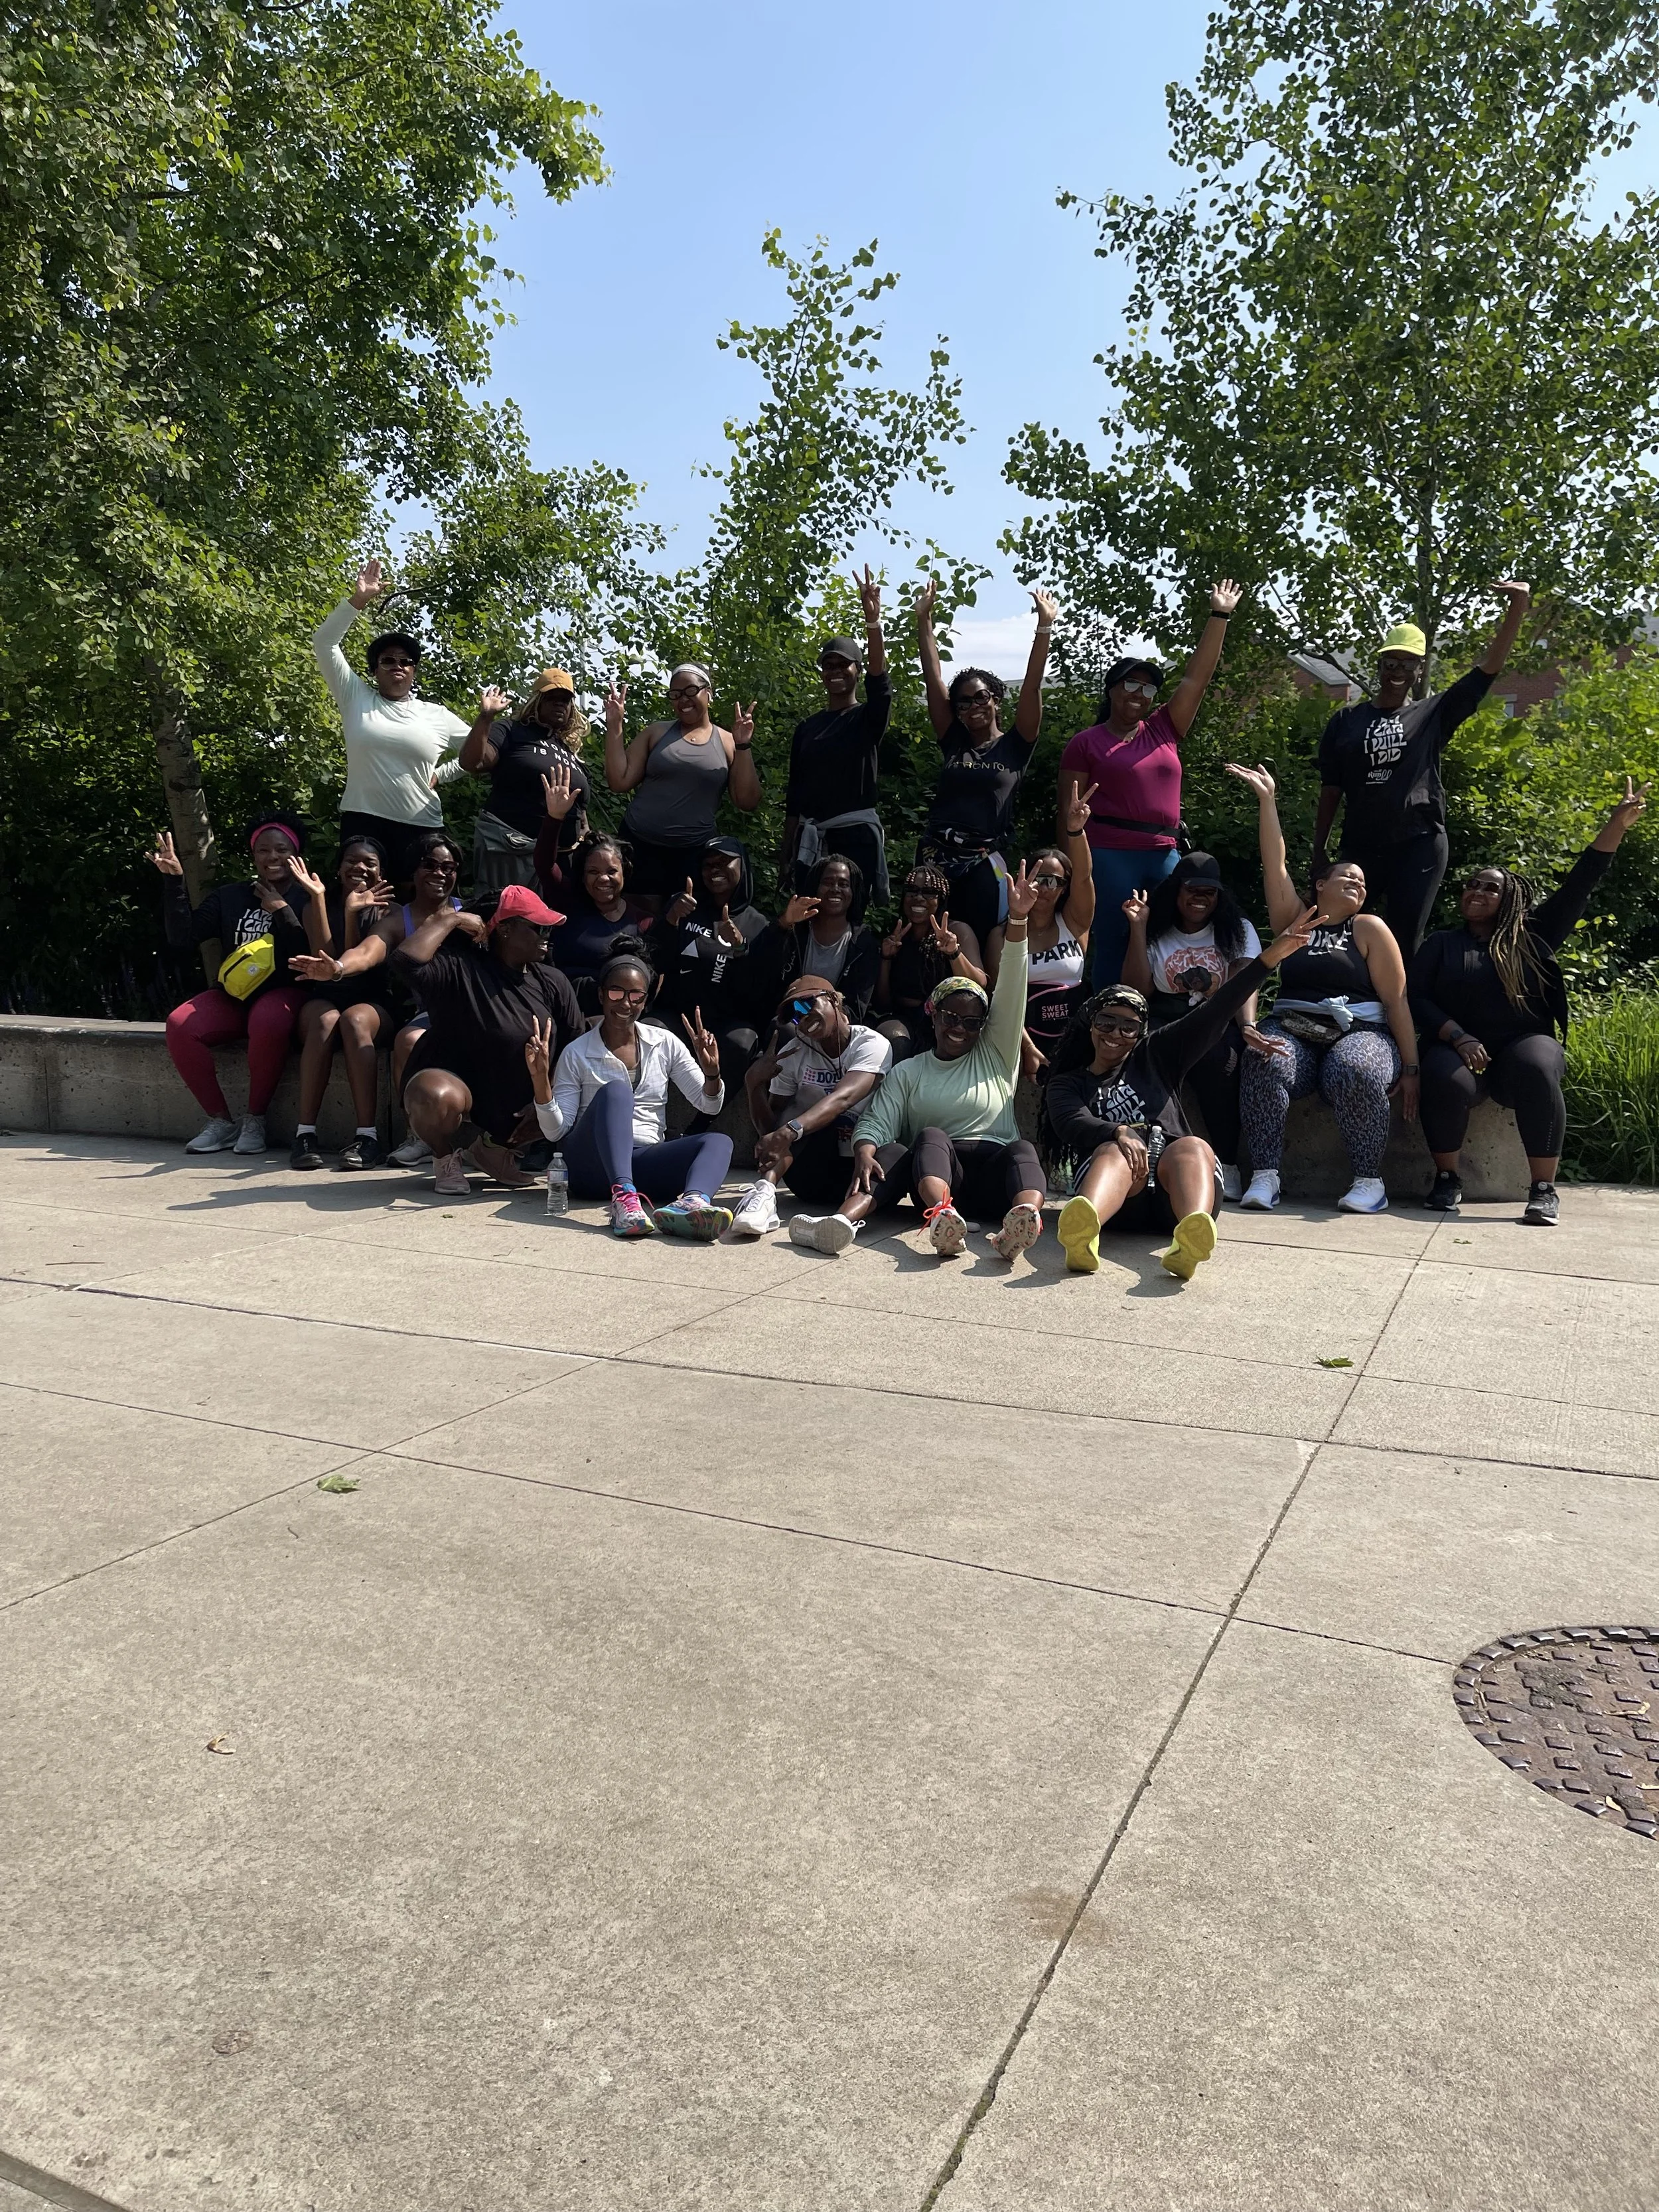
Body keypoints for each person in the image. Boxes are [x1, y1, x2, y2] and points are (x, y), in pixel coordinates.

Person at [1411, 777, 1649, 1224]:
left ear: (1510, 898)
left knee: (1539, 1063)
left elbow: (1584, 879)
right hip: (1458, 1049)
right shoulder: (1442, 944)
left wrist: (1616, 825)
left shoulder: (1534, 934)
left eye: (1489, 888)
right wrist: (1457, 1036)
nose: (1476, 892)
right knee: (1444, 1075)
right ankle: (1447, 1178)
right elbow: (1416, 999)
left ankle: (1543, 1189)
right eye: (1471, 885)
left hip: (1521, 1046)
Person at [1044, 908, 1315, 1280]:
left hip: (1178, 1192)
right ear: (1090, 1025)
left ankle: (1192, 1237)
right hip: (1121, 1200)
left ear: (1140, 1033)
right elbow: (1070, 1122)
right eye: (1106, 1021)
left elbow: (1217, 1009)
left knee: (1194, 1146)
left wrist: (1270, 957)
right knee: (1114, 1148)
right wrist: (1118, 1132)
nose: (1116, 1033)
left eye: (1128, 1027)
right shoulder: (1068, 1082)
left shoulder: (1157, 1054)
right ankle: (1083, 1232)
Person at [814, 865, 1045, 1262]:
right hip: (941, 1179)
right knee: (930, 1136)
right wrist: (865, 1149)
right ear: (933, 1015)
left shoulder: (996, 1054)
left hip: (996, 1182)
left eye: (973, 1021)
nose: (961, 1027)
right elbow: (876, 1122)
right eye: (951, 1017)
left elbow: (1012, 986)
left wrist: (1019, 919)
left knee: (1022, 1147)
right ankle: (940, 1220)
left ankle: (1023, 1221)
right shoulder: (909, 1071)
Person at [1224, 763, 1419, 1213]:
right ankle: (1266, 1176)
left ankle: (1369, 1182)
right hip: (1295, 1029)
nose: (1356, 882)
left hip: (1360, 1034)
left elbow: (1397, 1000)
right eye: (1346, 876)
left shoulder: (1368, 928)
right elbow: (1274, 864)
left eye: (1362, 881)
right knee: (1263, 1057)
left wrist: (1411, 1068)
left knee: (1355, 1067)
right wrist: (1267, 801)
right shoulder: (1296, 920)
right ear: (1320, 885)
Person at [1313, 581, 1532, 954]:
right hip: (1362, 843)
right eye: (1391, 662)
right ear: (1379, 665)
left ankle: (1400, 1012)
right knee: (1336, 926)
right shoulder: (1346, 721)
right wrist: (1319, 853)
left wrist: (1518, 607)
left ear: (1420, 669)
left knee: (1402, 937)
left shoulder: (1432, 713)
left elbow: (1488, 669)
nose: (1398, 670)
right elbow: (1331, 790)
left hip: (1419, 841)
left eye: (1408, 663)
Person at [1058, 579, 1244, 987]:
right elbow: (1067, 815)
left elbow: (1197, 680)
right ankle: (1105, 1016)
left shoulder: (1164, 728)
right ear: (1112, 690)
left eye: (1148, 687)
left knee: (1175, 932)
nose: (1140, 693)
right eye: (1131, 683)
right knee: (1114, 936)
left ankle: (1166, 1009)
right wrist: (1075, 867)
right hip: (1108, 854)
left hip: (1164, 853)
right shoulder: (1085, 744)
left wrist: (1219, 616)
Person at [525, 948, 734, 1238]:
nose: (626, 1003)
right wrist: (540, 1081)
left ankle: (692, 1205)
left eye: (636, 996)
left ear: (645, 1001)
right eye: (616, 993)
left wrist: (712, 1072)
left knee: (719, 1142)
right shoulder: (577, 1053)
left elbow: (709, 1105)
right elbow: (556, 1131)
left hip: (643, 1160)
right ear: (601, 995)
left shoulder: (664, 1043)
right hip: (592, 1168)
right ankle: (624, 1199)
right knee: (617, 1092)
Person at [394, 883, 584, 1197]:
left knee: (561, 1106)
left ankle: (492, 1150)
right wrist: (451, 920)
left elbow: (575, 1048)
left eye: (548, 927)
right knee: (435, 1097)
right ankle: (444, 1158)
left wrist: (546, 1094)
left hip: (512, 1101)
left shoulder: (553, 981)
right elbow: (405, 962)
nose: (546, 935)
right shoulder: (459, 968)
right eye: (537, 927)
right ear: (506, 930)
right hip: (456, 1082)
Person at [151, 817, 313, 1155]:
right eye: (263, 850)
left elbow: (307, 953)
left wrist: (282, 911)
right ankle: (221, 1122)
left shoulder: (311, 897)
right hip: (234, 997)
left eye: (282, 850)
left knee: (268, 1018)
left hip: (286, 994)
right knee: (180, 1024)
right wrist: (173, 883)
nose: (272, 857)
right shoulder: (230, 896)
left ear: (297, 854)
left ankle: (255, 1120)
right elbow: (183, 939)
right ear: (253, 855)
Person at [914, 581, 1058, 947]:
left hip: (982, 863)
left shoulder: (1016, 745)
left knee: (977, 938)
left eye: (980, 697)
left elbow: (1032, 687)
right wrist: (924, 619)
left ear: (995, 699)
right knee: (929, 939)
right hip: (933, 859)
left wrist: (1044, 627)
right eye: (963, 702)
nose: (972, 707)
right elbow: (934, 681)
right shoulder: (953, 742)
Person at [1119, 851, 1265, 1202]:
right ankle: (1141, 1162)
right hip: (1165, 1018)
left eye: (1210, 892)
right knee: (1144, 1062)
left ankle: (1227, 1165)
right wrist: (1138, 929)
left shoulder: (1237, 929)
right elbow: (1137, 990)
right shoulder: (1157, 928)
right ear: (1177, 891)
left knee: (1224, 1063)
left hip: (1216, 1018)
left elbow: (1245, 982)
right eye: (1193, 890)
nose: (1201, 898)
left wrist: (1247, 1025)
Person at [311, 559, 474, 859]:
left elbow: (480, 753)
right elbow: (324, 643)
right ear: (375, 670)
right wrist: (358, 600)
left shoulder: (437, 715)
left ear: (414, 671)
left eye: (405, 662)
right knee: (362, 902)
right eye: (387, 660)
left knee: (421, 904)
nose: (397, 666)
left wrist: (443, 773)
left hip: (422, 826)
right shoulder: (355, 697)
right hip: (363, 823)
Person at [733, 976, 894, 1243]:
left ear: (833, 999)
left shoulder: (871, 1043)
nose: (803, 1018)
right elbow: (771, 1135)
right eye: (795, 1016)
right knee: (807, 1097)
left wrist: (792, 1130)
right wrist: (754, 1085)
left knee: (895, 1150)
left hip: (860, 1169)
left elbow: (845, 1097)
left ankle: (839, 1223)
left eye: (807, 1006)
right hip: (812, 1175)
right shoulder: (795, 1051)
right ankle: (764, 1194)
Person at [283, 836, 399, 1170]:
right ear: (338, 867)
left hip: (372, 1002)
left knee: (354, 1020)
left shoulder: (389, 911)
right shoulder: (314, 905)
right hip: (326, 997)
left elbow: (356, 974)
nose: (360, 867)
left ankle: (368, 1138)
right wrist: (318, 899)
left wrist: (353, 915)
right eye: (351, 860)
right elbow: (326, 966)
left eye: (370, 863)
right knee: (325, 1020)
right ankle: (305, 1135)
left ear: (382, 873)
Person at [605, 666, 760, 905]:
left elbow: (747, 802)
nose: (683, 700)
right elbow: (619, 781)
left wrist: (743, 745)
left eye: (690, 691)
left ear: (708, 693)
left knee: (684, 920)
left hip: (694, 853)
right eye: (676, 695)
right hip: (639, 844)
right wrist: (615, 725)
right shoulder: (656, 732)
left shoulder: (729, 741)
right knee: (638, 921)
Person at [782, 568, 892, 896]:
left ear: (857, 670)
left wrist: (872, 621)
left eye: (843, 664)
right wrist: (786, 858)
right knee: (805, 919)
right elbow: (794, 799)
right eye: (828, 666)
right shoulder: (807, 728)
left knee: (852, 917)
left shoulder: (867, 718)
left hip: (855, 839)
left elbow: (880, 681)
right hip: (810, 842)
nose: (835, 672)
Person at [984, 782, 1098, 1080]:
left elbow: (1085, 878)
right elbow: (999, 998)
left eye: (1056, 881)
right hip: (1020, 1037)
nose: (1046, 889)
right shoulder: (1002, 935)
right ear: (1025, 879)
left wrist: (1076, 832)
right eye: (1040, 878)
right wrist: (1028, 1047)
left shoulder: (1074, 925)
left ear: (1065, 888)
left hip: (1076, 1033)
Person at [646, 837, 769, 1090]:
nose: (715, 869)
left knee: (743, 1042)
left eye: (724, 862)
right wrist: (669, 920)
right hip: (677, 1016)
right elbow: (653, 960)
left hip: (727, 1023)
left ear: (742, 865)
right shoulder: (683, 906)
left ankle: (705, 1119)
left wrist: (739, 948)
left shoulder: (758, 925)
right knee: (649, 1030)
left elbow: (757, 992)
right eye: (708, 864)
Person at [457, 668, 591, 894]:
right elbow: (474, 763)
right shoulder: (511, 730)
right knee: (509, 922)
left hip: (562, 859)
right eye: (552, 698)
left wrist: (587, 840)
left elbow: (580, 809)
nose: (560, 704)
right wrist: (486, 717)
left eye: (566, 700)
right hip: (514, 849)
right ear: (537, 701)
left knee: (552, 926)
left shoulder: (569, 750)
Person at [873, 865, 987, 1063]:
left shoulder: (958, 931)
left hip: (945, 1019)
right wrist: (886, 958)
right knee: (894, 1040)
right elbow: (883, 1002)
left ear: (940, 900)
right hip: (903, 1018)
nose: (919, 898)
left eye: (928, 892)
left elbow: (979, 984)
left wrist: (953, 952)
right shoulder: (897, 934)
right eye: (912, 891)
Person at [749, 854, 881, 1019]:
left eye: (844, 884)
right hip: (787, 1018)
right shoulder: (794, 930)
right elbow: (760, 973)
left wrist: (818, 1014)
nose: (835, 889)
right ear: (815, 887)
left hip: (836, 1026)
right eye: (828, 883)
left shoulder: (863, 942)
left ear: (853, 891)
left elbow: (856, 1009)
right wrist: (782, 926)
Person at [542, 834, 652, 1015]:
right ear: (583, 876)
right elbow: (544, 865)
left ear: (624, 872)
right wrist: (555, 818)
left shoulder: (643, 921)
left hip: (613, 1018)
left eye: (611, 871)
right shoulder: (568, 904)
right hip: (561, 1008)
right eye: (593, 872)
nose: (603, 879)